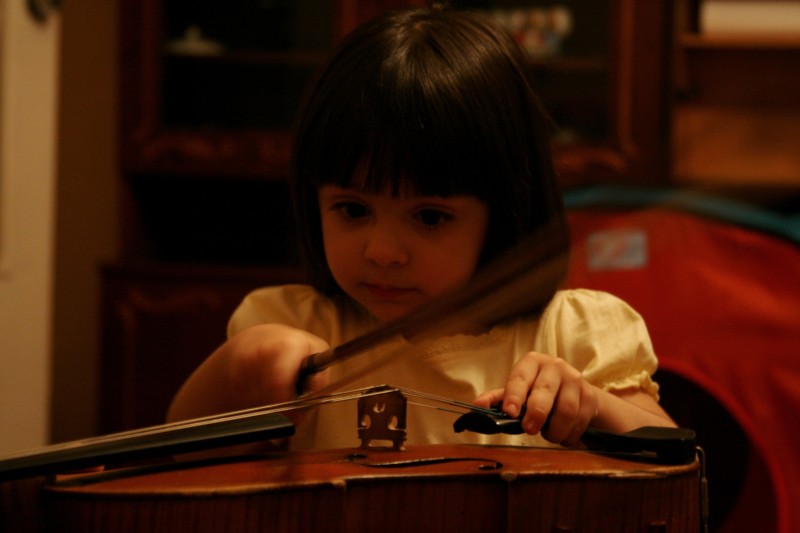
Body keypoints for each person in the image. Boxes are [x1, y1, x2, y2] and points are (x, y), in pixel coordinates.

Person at [167, 4, 675, 452]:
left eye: (430, 216)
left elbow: (670, 452)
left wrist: (593, 408)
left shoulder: (574, 335)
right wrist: (235, 372)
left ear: (503, 211)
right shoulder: (289, 325)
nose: (384, 251)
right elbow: (175, 451)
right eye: (352, 209)